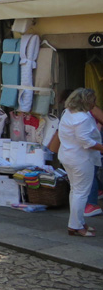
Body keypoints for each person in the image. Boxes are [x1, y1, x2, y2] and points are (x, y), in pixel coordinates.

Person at [59, 88, 103, 237]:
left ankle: (78, 222)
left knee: (76, 191)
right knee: (81, 192)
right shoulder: (82, 118)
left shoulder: (68, 113)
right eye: (93, 100)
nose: (95, 103)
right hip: (80, 159)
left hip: (69, 156)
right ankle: (75, 226)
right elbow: (86, 141)